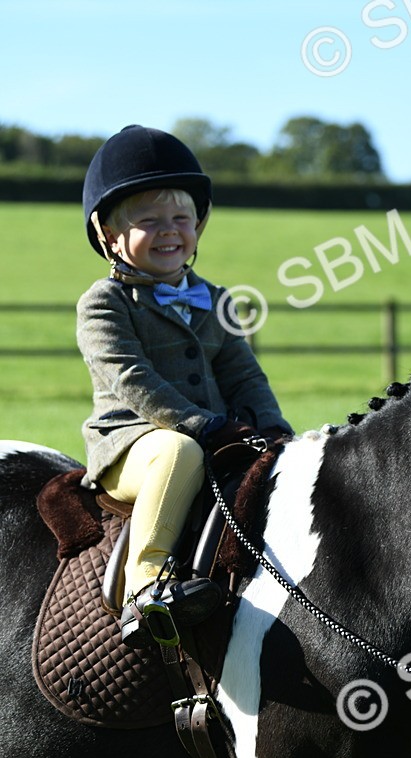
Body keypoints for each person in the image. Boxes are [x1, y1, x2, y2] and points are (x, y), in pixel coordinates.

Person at [78, 124, 292, 645]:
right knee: (178, 453)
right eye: (149, 221)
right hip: (133, 445)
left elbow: (243, 373)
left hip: (216, 433)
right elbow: (134, 380)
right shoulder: (103, 305)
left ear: (199, 224)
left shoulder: (214, 298)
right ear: (110, 234)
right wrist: (205, 426)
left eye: (181, 218)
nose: (169, 230)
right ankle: (145, 588)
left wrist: (275, 428)